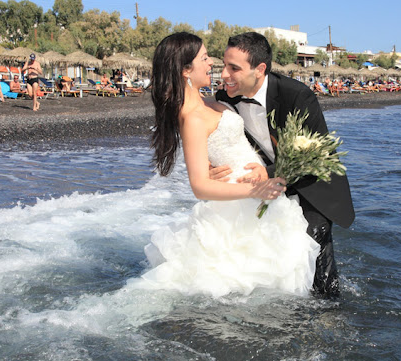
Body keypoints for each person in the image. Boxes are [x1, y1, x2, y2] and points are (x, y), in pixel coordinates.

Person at [126, 32, 320, 297]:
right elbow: (200, 187)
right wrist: (256, 191)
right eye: (204, 58)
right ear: (185, 70)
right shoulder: (193, 117)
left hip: (261, 197)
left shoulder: (214, 101)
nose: (211, 64)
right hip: (242, 203)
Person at [213, 32, 355, 299]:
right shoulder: (226, 98)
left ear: (260, 69)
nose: (224, 74)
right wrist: (214, 166)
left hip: (313, 183)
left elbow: (316, 152)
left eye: (234, 68)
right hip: (269, 188)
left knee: (314, 248)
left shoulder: (296, 95)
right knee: (274, 254)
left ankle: (331, 314)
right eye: (224, 65)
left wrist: (267, 172)